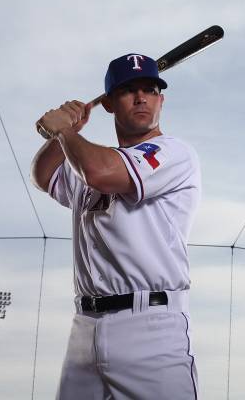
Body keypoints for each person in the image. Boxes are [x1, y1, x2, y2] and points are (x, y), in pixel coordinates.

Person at [30, 53, 201, 399]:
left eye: (150, 90)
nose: (141, 98)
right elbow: (43, 175)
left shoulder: (173, 153)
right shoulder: (85, 157)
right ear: (108, 104)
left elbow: (102, 173)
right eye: (128, 91)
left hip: (151, 326)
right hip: (85, 326)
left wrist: (64, 132)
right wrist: (68, 132)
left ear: (161, 100)